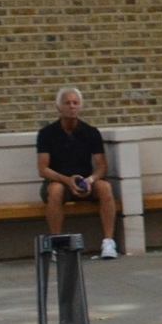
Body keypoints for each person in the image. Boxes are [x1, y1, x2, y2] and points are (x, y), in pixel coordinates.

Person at [37, 87, 119, 257]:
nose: (72, 106)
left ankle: (108, 243)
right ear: (59, 107)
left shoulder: (91, 132)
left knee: (104, 187)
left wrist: (89, 180)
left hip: (85, 181)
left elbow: (102, 167)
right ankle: (56, 243)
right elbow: (43, 169)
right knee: (55, 190)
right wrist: (68, 181)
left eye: (75, 103)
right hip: (59, 181)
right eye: (67, 103)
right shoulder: (46, 134)